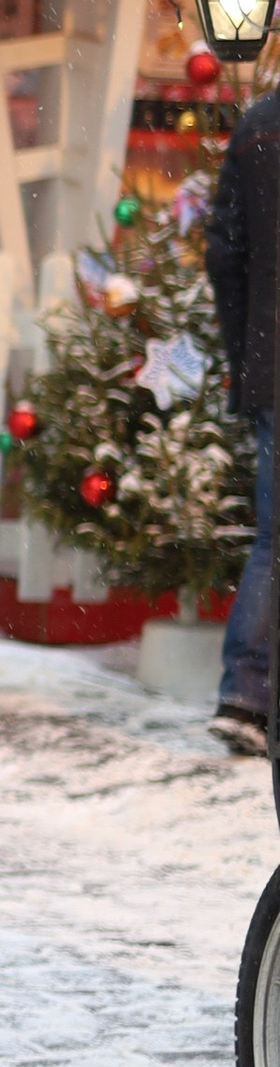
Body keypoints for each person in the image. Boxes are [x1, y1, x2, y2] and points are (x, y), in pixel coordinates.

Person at [207, 92, 280, 758]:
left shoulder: (260, 125)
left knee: (273, 540)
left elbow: (225, 252)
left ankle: (245, 695)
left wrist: (246, 354)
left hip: (272, 361)